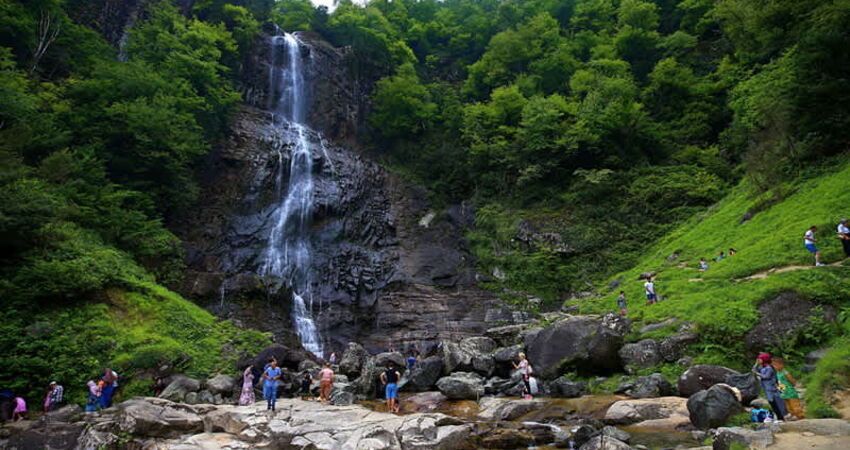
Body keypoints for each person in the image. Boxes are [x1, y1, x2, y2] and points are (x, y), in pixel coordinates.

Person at [752, 353, 786, 422]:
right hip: (767, 389)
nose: (759, 360)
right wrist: (756, 364)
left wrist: (757, 373)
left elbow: (766, 377)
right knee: (772, 403)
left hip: (772, 389)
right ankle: (779, 418)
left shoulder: (769, 368)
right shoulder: (762, 367)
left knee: (775, 404)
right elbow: (753, 370)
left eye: (760, 359)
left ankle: (781, 418)